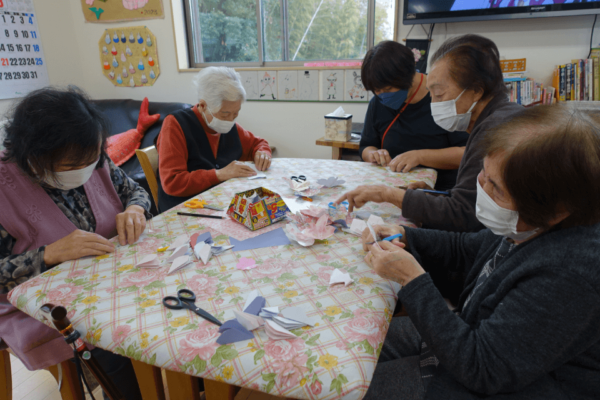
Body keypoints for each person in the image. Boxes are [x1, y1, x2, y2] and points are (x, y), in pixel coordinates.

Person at [361, 105, 600, 400]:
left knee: (352, 391)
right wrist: (410, 237)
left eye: (495, 187)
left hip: (503, 380)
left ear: (554, 211)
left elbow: (482, 368)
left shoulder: (569, 276)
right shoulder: (527, 225)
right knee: (357, 342)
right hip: (472, 335)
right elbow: (468, 250)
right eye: (483, 173)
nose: (481, 188)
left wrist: (412, 280)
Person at [0, 87, 148, 400]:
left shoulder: (93, 160)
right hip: (44, 300)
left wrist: (135, 208)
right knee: (117, 348)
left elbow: (135, 190)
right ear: (33, 157)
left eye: (92, 158)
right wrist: (49, 254)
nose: (85, 169)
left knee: (156, 316)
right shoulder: (4, 186)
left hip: (107, 280)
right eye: (70, 165)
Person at [338, 34, 523, 232]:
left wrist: (388, 194)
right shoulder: (500, 118)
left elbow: (461, 214)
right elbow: (467, 207)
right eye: (432, 94)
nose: (434, 104)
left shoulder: (495, 132)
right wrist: (430, 195)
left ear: (476, 91)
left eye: (440, 94)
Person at [156, 66, 272, 212]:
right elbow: (172, 182)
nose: (230, 120)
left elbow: (258, 143)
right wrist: (218, 175)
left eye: (235, 114)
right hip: (184, 209)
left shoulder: (229, 126)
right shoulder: (175, 125)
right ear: (204, 106)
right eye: (224, 115)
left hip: (219, 204)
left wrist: (262, 153)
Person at [359, 40, 469, 191]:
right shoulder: (378, 103)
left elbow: (466, 153)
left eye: (388, 88)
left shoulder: (443, 98)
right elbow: (366, 145)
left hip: (440, 192)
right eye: (376, 91)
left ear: (407, 76)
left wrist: (419, 156)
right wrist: (374, 154)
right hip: (392, 189)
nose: (382, 96)